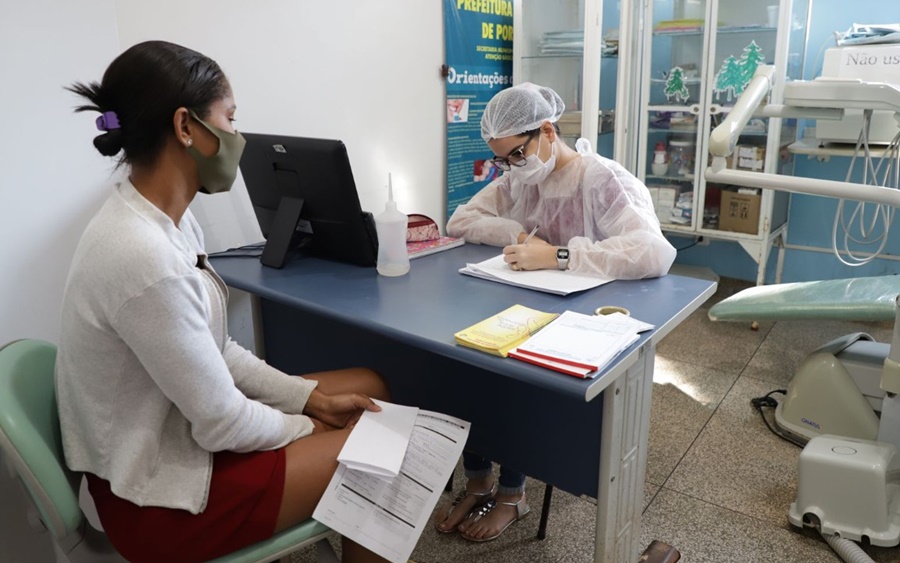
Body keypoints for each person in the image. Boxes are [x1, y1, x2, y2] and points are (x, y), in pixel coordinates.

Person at [56, 40, 392, 563]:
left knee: (370, 387)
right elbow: (222, 423)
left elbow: (218, 348)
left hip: (174, 443)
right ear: (186, 127)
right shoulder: (144, 256)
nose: (238, 135)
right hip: (159, 498)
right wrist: (310, 427)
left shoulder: (163, 219)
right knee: (379, 458)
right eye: (230, 118)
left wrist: (310, 401)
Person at [437, 83, 676, 542]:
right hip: (525, 306)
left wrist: (559, 256)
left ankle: (513, 493)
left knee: (518, 388)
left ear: (547, 131)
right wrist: (517, 235)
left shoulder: (602, 179)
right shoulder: (520, 177)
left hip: (583, 320)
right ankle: (479, 481)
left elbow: (653, 251)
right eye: (503, 160)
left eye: (517, 154)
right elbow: (461, 220)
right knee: (469, 367)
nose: (512, 167)